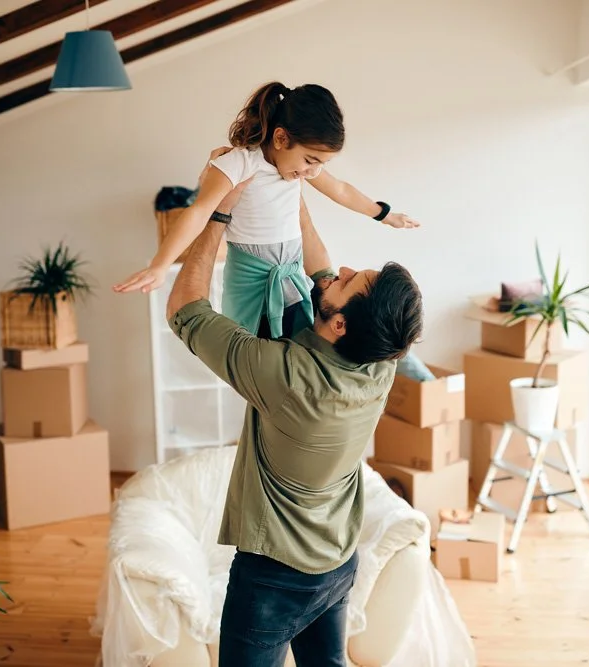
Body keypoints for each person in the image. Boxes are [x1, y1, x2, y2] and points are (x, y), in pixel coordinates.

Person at [164, 162, 424, 666]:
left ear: (341, 324)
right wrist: (290, 194)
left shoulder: (283, 375)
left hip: (273, 581)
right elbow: (323, 268)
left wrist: (220, 213)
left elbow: (184, 306)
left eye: (352, 281)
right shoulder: (379, 363)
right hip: (335, 563)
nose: (342, 270)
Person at [114, 81, 420, 341]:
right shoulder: (239, 163)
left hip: (292, 272)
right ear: (280, 138)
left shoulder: (299, 170)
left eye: (321, 165)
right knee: (255, 348)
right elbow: (198, 212)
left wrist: (384, 214)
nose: (313, 171)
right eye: (310, 160)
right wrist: (159, 265)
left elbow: (341, 190)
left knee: (300, 344)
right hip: (252, 278)